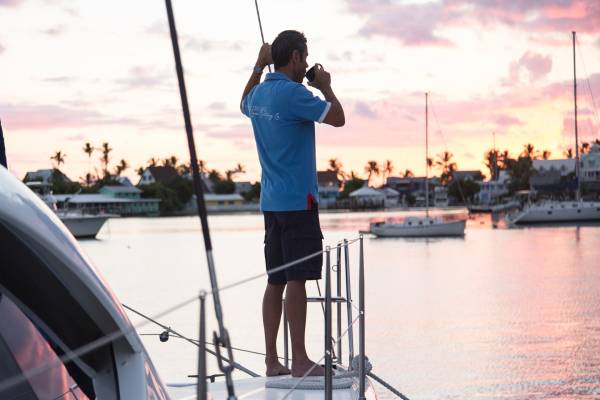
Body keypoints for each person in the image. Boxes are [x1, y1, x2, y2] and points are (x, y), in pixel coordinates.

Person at [240, 30, 345, 377]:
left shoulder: (258, 94)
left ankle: (272, 361)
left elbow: (242, 102)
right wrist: (325, 85)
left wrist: (258, 65)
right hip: (299, 202)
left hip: (271, 203)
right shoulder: (294, 94)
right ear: (297, 57)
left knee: (275, 280)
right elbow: (338, 118)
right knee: (298, 278)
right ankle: (299, 360)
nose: (305, 64)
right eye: (305, 56)